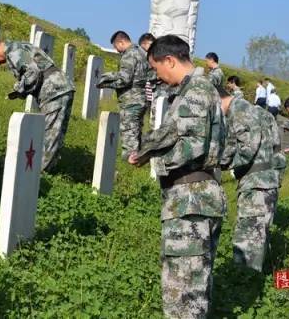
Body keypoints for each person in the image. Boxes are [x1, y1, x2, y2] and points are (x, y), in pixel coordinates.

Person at [128, 35, 227, 318]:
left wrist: (155, 161)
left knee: (183, 292)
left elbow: (193, 145)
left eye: (157, 68)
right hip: (195, 197)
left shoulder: (195, 91)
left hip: (190, 200)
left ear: (169, 60)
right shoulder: (198, 90)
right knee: (194, 285)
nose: (158, 76)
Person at [0, 39, 74, 171]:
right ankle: (48, 170)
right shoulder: (19, 45)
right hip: (60, 87)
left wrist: (19, 89)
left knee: (49, 135)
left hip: (53, 90)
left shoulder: (12, 51)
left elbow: (32, 72)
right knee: (56, 134)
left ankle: (39, 173)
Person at [218, 88, 278, 272]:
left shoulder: (240, 111)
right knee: (258, 236)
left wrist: (221, 164)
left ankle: (246, 284)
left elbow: (247, 148)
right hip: (263, 181)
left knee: (247, 241)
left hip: (256, 184)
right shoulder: (252, 110)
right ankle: (257, 280)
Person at [97, 31, 149, 160]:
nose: (117, 51)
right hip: (142, 98)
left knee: (129, 134)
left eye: (116, 47)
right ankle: (138, 159)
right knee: (136, 131)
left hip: (131, 100)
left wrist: (105, 81)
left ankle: (131, 161)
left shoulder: (128, 55)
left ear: (121, 42)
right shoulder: (142, 53)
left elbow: (124, 79)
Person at [138, 33, 156, 109]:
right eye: (151, 44)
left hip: (151, 95)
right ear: (143, 43)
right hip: (140, 95)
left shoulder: (152, 56)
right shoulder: (138, 56)